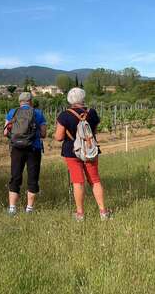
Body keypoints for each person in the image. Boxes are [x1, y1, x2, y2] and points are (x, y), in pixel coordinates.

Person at [55, 87, 111, 221]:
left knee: (78, 182)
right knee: (95, 180)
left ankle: (80, 214)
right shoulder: (92, 113)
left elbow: (59, 137)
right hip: (90, 150)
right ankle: (103, 212)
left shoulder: (64, 115)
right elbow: (94, 131)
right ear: (83, 98)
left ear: (70, 99)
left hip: (72, 152)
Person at [4, 92, 47, 215]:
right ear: (31, 101)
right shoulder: (38, 113)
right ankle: (29, 208)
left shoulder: (13, 112)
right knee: (33, 178)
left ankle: (12, 208)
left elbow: (5, 132)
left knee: (15, 176)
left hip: (16, 148)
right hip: (34, 148)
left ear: (20, 102)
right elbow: (43, 134)